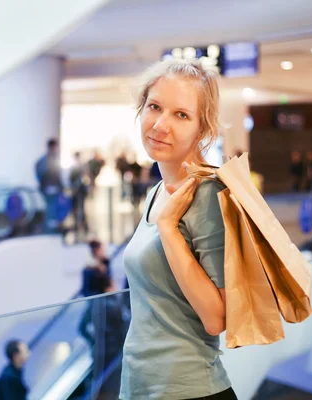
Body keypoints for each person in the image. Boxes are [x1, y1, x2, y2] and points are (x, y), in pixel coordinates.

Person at [120, 59, 236, 399]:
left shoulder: (207, 194)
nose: (160, 124)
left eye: (181, 115)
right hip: (142, 385)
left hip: (188, 389)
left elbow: (217, 318)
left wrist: (169, 229)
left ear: (203, 129)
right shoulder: (157, 192)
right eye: (154, 107)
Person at [35, 138, 64, 232]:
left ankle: (51, 228)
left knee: (52, 208)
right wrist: (45, 184)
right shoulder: (47, 160)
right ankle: (49, 230)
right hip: (49, 187)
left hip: (52, 187)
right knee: (50, 209)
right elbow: (43, 173)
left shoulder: (53, 159)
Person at [69, 152, 89, 235]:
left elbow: (84, 177)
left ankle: (83, 226)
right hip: (76, 191)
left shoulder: (81, 166)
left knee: (81, 208)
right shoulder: (74, 167)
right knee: (76, 208)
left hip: (80, 190)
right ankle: (78, 226)